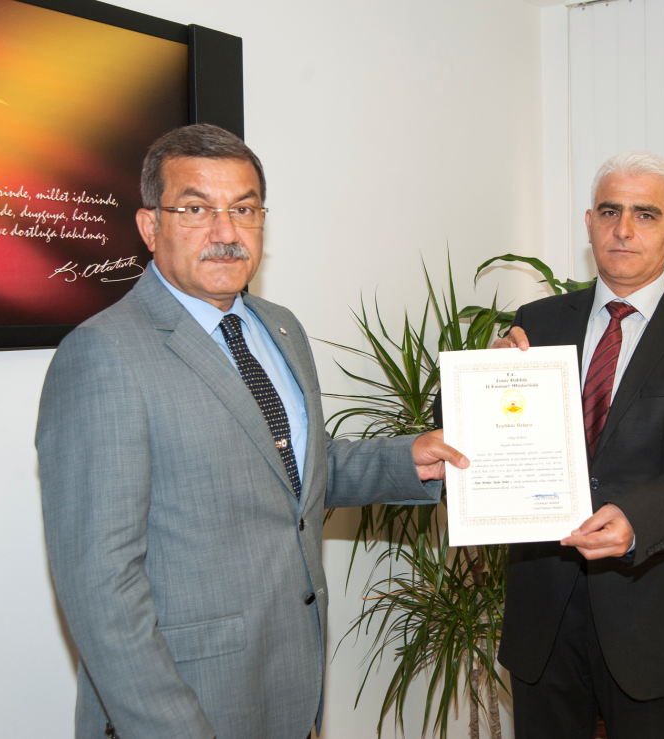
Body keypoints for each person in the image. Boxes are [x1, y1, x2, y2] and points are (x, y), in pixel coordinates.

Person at [36, 124, 467, 739]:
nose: (225, 232)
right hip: (186, 704)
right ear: (150, 227)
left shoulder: (278, 327)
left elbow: (290, 472)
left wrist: (408, 459)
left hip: (289, 684)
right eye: (195, 209)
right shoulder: (103, 355)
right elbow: (101, 588)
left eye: (244, 209)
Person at [491, 151, 664, 739]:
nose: (624, 229)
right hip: (544, 608)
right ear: (589, 223)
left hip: (654, 606)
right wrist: (488, 377)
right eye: (610, 212)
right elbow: (469, 435)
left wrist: (636, 519)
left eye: (645, 214)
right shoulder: (537, 320)